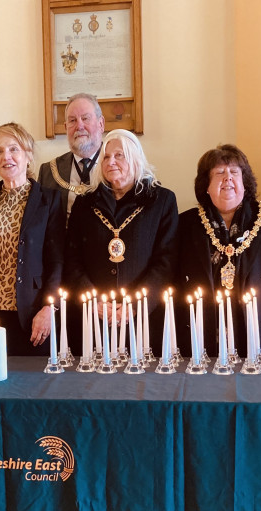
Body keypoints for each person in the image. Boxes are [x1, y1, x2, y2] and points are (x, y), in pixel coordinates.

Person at [176, 144, 261, 357]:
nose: (228, 179)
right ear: (206, 184)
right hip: (203, 335)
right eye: (219, 173)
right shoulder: (186, 223)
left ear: (245, 182)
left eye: (234, 172)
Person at [63, 129, 178, 353]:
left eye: (119, 155)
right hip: (93, 317)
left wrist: (135, 305)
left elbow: (167, 261)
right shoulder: (85, 203)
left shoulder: (162, 200)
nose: (111, 161)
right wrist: (93, 301)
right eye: (106, 156)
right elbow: (72, 258)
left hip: (144, 317)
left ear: (135, 158)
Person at [0, 123, 63, 356]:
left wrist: (49, 307)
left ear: (28, 155)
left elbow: (57, 259)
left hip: (33, 313)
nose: (7, 157)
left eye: (14, 149)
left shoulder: (49, 200)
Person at [38, 93, 105, 216]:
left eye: (85, 118)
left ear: (101, 124)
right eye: (72, 120)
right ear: (66, 127)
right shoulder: (48, 172)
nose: (79, 126)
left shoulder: (121, 167)